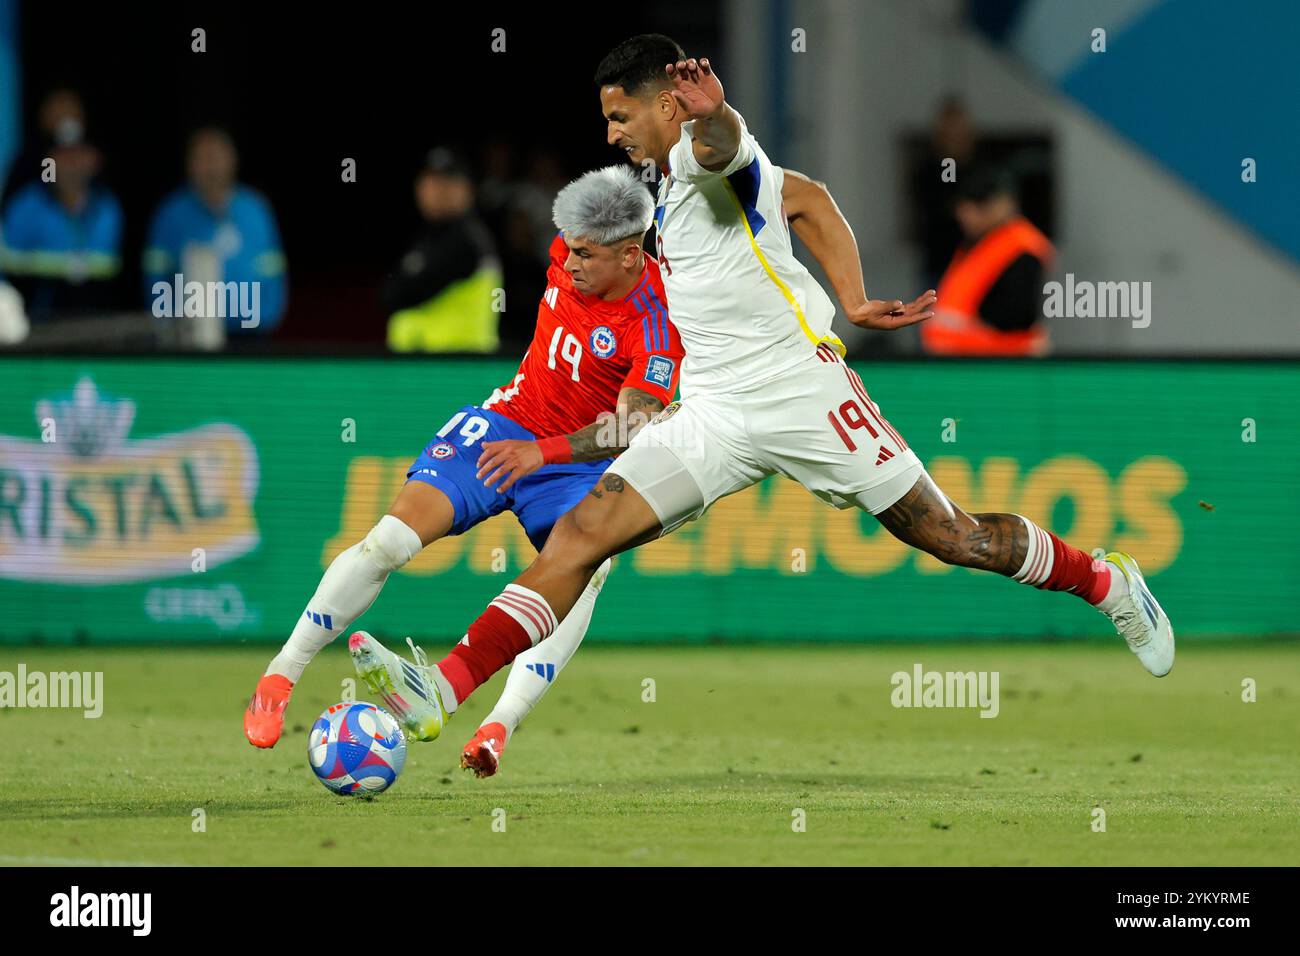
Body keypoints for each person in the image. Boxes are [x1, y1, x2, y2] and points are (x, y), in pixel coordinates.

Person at [349, 34, 1175, 752]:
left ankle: (1105, 584)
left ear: (665, 106)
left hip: (801, 392)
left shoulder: (705, 161)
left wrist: (718, 117)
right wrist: (851, 296)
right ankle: (445, 688)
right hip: (711, 409)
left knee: (953, 536)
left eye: (620, 116)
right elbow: (809, 200)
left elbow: (727, 145)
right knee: (582, 533)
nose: (609, 133)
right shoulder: (658, 192)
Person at [245, 165, 683, 778]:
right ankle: (280, 677)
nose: (569, 261)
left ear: (632, 255)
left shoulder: (657, 320)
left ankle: (497, 724)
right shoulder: (569, 245)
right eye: (570, 248)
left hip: (570, 465)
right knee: (389, 540)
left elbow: (632, 427)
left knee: (585, 571)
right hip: (503, 427)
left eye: (587, 254)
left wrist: (546, 452)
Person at [143, 127, 287, 337]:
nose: (211, 167)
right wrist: (169, 326)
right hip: (189, 341)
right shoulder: (169, 215)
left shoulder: (256, 210)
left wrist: (264, 321)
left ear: (233, 160)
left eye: (216, 157)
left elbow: (274, 276)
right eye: (202, 158)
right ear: (189, 164)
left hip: (250, 339)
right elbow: (155, 279)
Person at [921, 164, 1054, 356]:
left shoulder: (1022, 248)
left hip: (999, 366)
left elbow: (1017, 317)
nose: (965, 218)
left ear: (1001, 203)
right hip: (962, 362)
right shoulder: (977, 244)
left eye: (973, 208)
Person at [382, 147, 502, 353]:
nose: (437, 190)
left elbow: (396, 296)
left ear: (467, 189)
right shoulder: (429, 236)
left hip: (459, 367)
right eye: (430, 181)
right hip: (425, 366)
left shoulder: (468, 239)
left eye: (447, 182)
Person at [0, 117, 122, 318]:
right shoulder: (24, 207)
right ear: (49, 160)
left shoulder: (109, 209)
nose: (71, 164)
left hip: (95, 326)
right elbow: (7, 279)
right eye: (63, 155)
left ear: (94, 159)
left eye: (78, 154)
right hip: (35, 326)